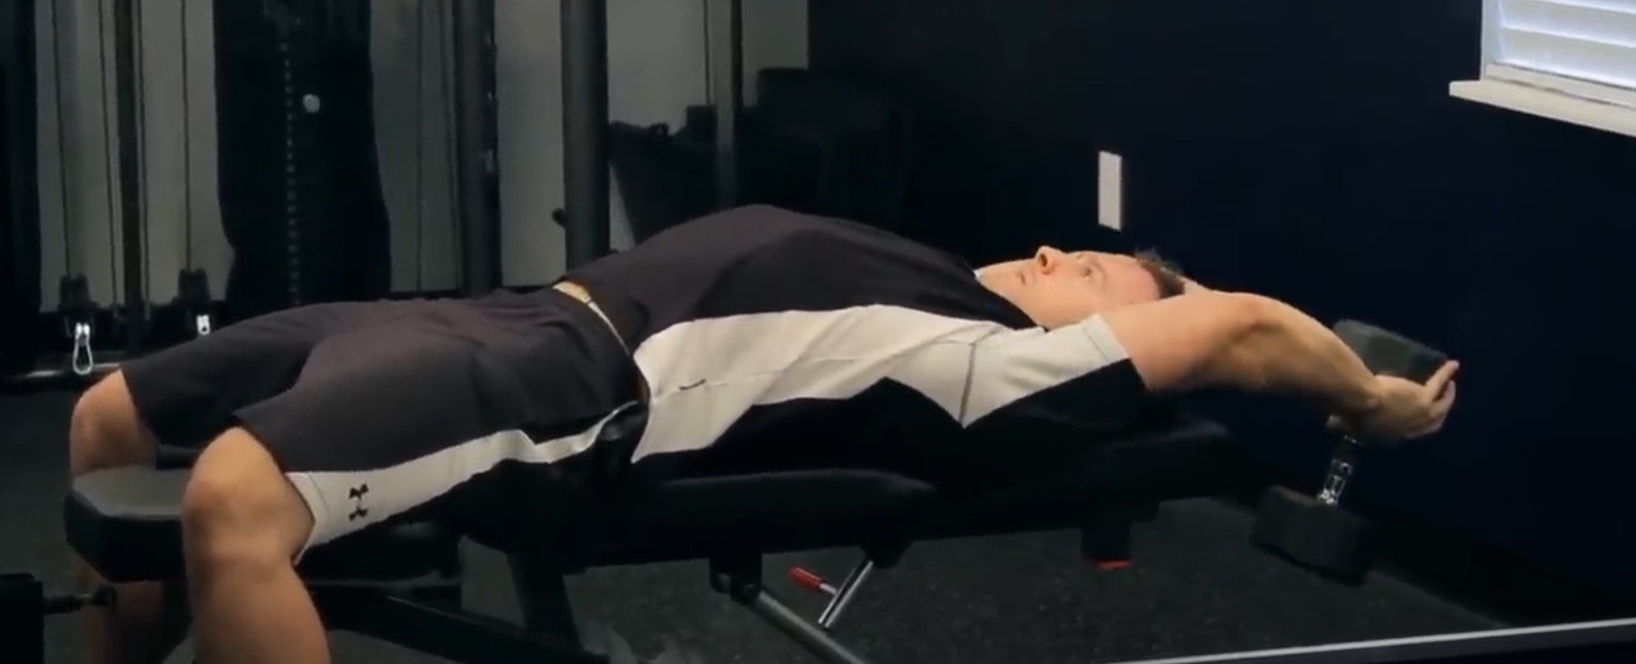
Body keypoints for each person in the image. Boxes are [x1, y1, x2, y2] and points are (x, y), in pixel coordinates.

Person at [67, 204, 1458, 664]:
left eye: (1101, 275)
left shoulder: (975, 369)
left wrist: (1364, 400)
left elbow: (1237, 329)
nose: (1057, 252)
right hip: (477, 311)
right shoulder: (922, 272)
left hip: (565, 379)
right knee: (111, 413)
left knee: (234, 509)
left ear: (1100, 337)